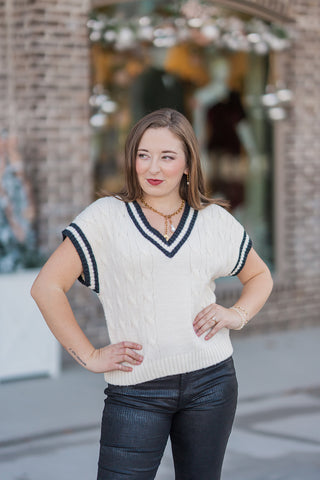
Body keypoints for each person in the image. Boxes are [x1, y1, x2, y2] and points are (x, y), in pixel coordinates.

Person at [31, 108, 273, 480]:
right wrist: (91, 356)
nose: (153, 168)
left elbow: (259, 275)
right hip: (135, 393)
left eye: (167, 157)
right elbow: (46, 287)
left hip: (212, 383)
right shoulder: (105, 218)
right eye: (143, 155)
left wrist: (236, 315)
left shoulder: (213, 220)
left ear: (189, 164)